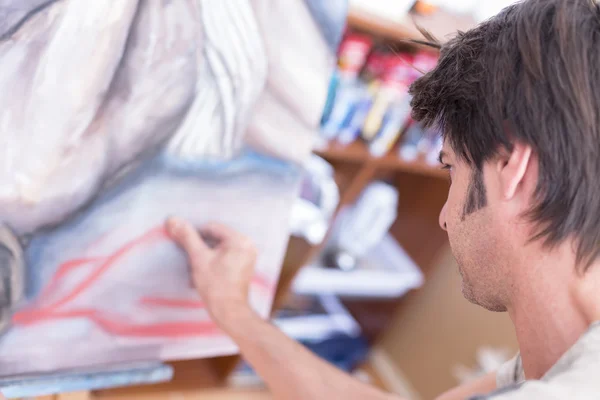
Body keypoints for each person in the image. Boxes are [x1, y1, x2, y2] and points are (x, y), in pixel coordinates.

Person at [165, 0, 600, 398]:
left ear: (513, 169)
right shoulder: (563, 354)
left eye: (452, 169)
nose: (446, 218)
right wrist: (234, 312)